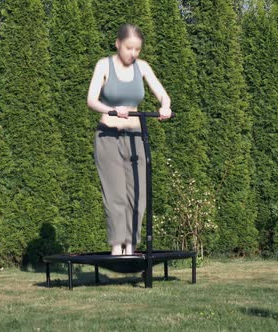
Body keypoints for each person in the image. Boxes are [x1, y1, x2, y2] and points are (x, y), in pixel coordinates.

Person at [87, 23, 172, 256]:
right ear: (117, 44)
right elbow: (91, 100)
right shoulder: (104, 65)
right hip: (108, 136)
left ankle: (131, 247)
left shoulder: (142, 67)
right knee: (115, 194)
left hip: (136, 137)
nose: (132, 54)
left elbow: (163, 94)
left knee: (138, 194)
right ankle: (117, 248)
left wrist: (165, 106)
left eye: (137, 50)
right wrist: (112, 109)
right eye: (128, 49)